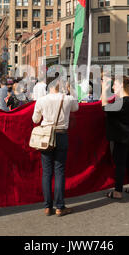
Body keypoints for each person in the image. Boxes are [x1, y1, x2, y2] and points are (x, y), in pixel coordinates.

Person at [32, 79, 78, 216]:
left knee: (46, 172)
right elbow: (76, 108)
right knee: (59, 171)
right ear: (62, 87)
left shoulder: (41, 100)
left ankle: (47, 206)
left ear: (49, 87)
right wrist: (71, 89)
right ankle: (59, 206)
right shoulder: (68, 98)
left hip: (46, 136)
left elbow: (35, 120)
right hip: (61, 134)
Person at [102, 76, 129, 200]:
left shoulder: (122, 101)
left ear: (121, 86)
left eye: (114, 85)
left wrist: (103, 89)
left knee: (120, 163)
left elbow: (104, 107)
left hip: (121, 136)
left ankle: (118, 191)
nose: (113, 87)